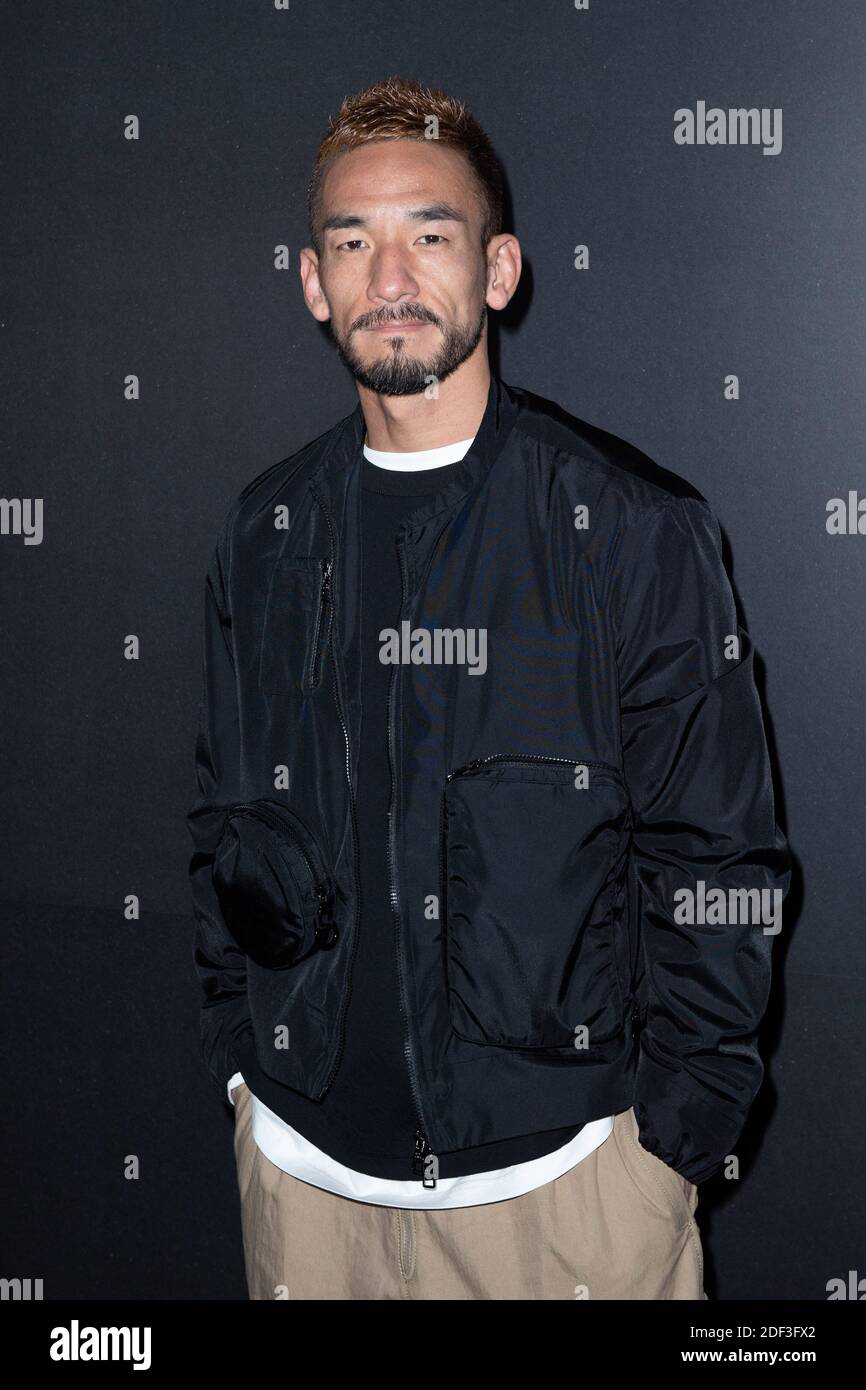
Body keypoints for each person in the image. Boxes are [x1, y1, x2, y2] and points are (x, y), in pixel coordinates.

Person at [187, 75, 791, 1301]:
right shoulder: (264, 531)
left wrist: (665, 1154)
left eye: (430, 233)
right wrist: (244, 1078)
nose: (388, 272)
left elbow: (719, 864)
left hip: (564, 1209)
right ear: (312, 282)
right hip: (304, 1196)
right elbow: (223, 821)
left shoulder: (628, 530)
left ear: (499, 270)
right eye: (351, 241)